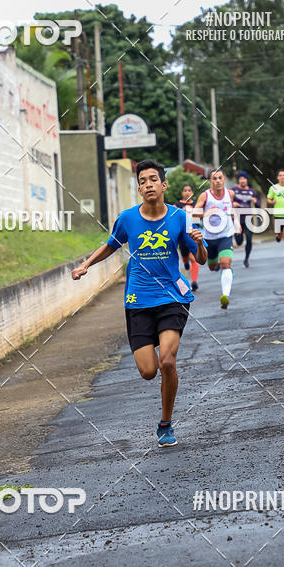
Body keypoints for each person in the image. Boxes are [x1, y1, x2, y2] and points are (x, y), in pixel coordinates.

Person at [71, 159, 207, 448]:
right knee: (148, 371)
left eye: (152, 179)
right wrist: (86, 265)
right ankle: (159, 386)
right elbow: (111, 245)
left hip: (172, 297)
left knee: (167, 360)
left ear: (163, 185)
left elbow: (201, 259)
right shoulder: (128, 218)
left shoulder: (179, 218)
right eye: (142, 180)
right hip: (137, 301)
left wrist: (201, 242)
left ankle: (166, 423)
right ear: (139, 187)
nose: (148, 185)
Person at [194, 168, 240, 308]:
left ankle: (225, 295)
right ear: (210, 181)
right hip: (209, 237)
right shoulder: (205, 196)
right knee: (213, 266)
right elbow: (194, 213)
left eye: (220, 178)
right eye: (215, 178)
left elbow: (231, 209)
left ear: (224, 179)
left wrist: (237, 223)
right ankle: (224, 269)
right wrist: (206, 213)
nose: (218, 181)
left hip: (226, 234)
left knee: (226, 262)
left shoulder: (230, 193)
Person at [266, 168, 284, 262]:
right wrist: (272, 201)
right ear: (277, 177)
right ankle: (278, 236)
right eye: (280, 175)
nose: (282, 177)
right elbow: (268, 199)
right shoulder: (273, 188)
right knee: (280, 233)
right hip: (278, 214)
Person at [175, 183, 201, 291]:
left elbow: (199, 218)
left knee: (192, 257)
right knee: (185, 257)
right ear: (182, 193)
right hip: (181, 236)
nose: (187, 192)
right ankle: (185, 263)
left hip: (193, 234)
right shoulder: (177, 205)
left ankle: (194, 282)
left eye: (189, 190)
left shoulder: (197, 205)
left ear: (192, 193)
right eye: (185, 190)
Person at [232, 170, 259, 268]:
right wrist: (233, 204)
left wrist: (256, 202)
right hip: (237, 219)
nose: (242, 180)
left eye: (244, 178)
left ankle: (246, 259)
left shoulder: (252, 192)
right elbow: (227, 202)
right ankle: (238, 238)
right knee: (239, 241)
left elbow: (258, 205)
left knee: (249, 239)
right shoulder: (233, 190)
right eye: (240, 179)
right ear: (238, 180)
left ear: (247, 180)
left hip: (248, 219)